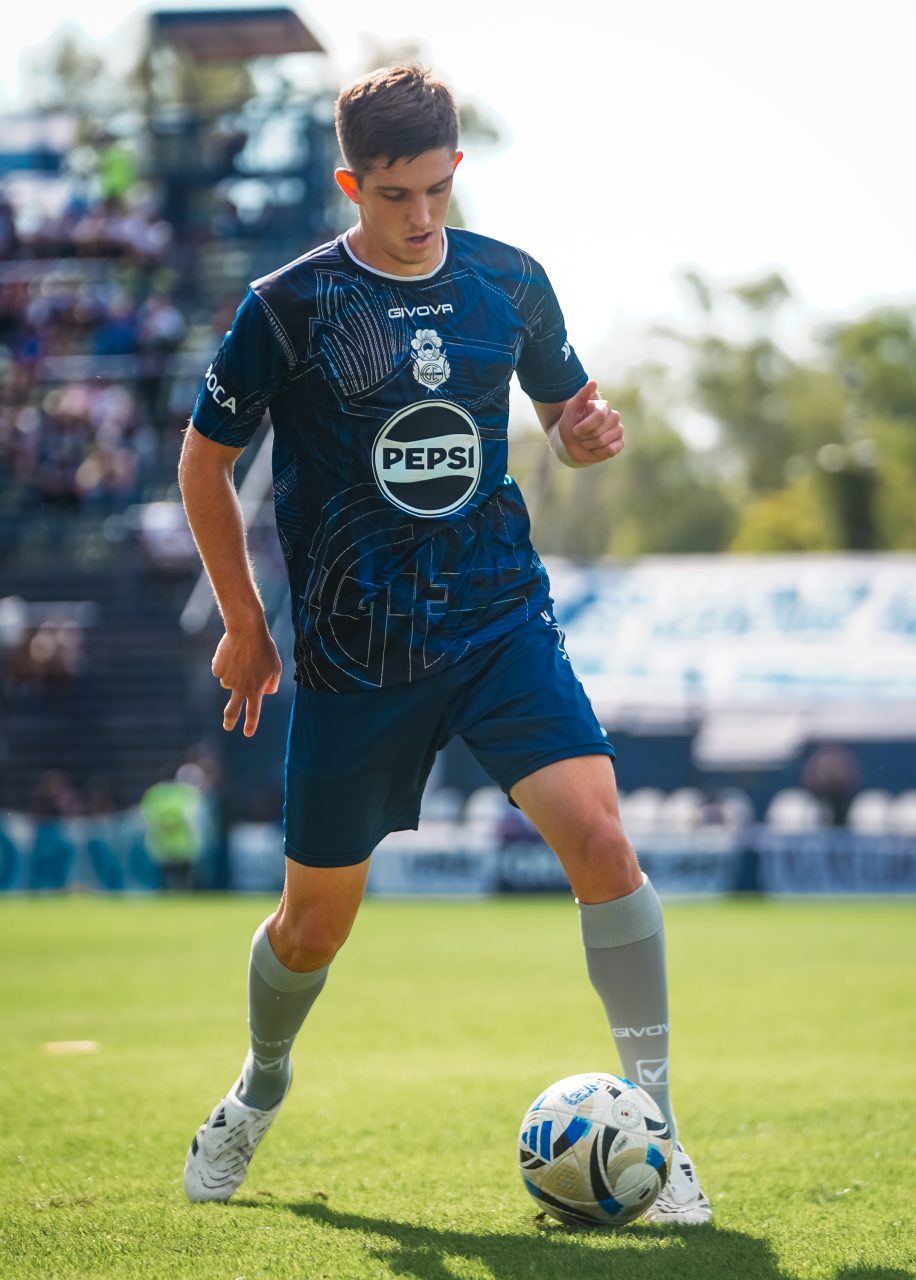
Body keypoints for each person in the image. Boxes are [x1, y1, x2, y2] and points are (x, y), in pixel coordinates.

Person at [177, 63, 710, 1225]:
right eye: (393, 195)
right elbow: (202, 463)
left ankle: (662, 1134)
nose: (419, 217)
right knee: (312, 926)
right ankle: (261, 1081)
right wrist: (246, 623)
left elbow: (567, 418)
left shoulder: (508, 281)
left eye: (435, 188)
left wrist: (583, 435)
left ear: (456, 167)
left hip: (496, 616)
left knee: (602, 841)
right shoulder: (288, 305)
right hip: (354, 652)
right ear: (350, 185)